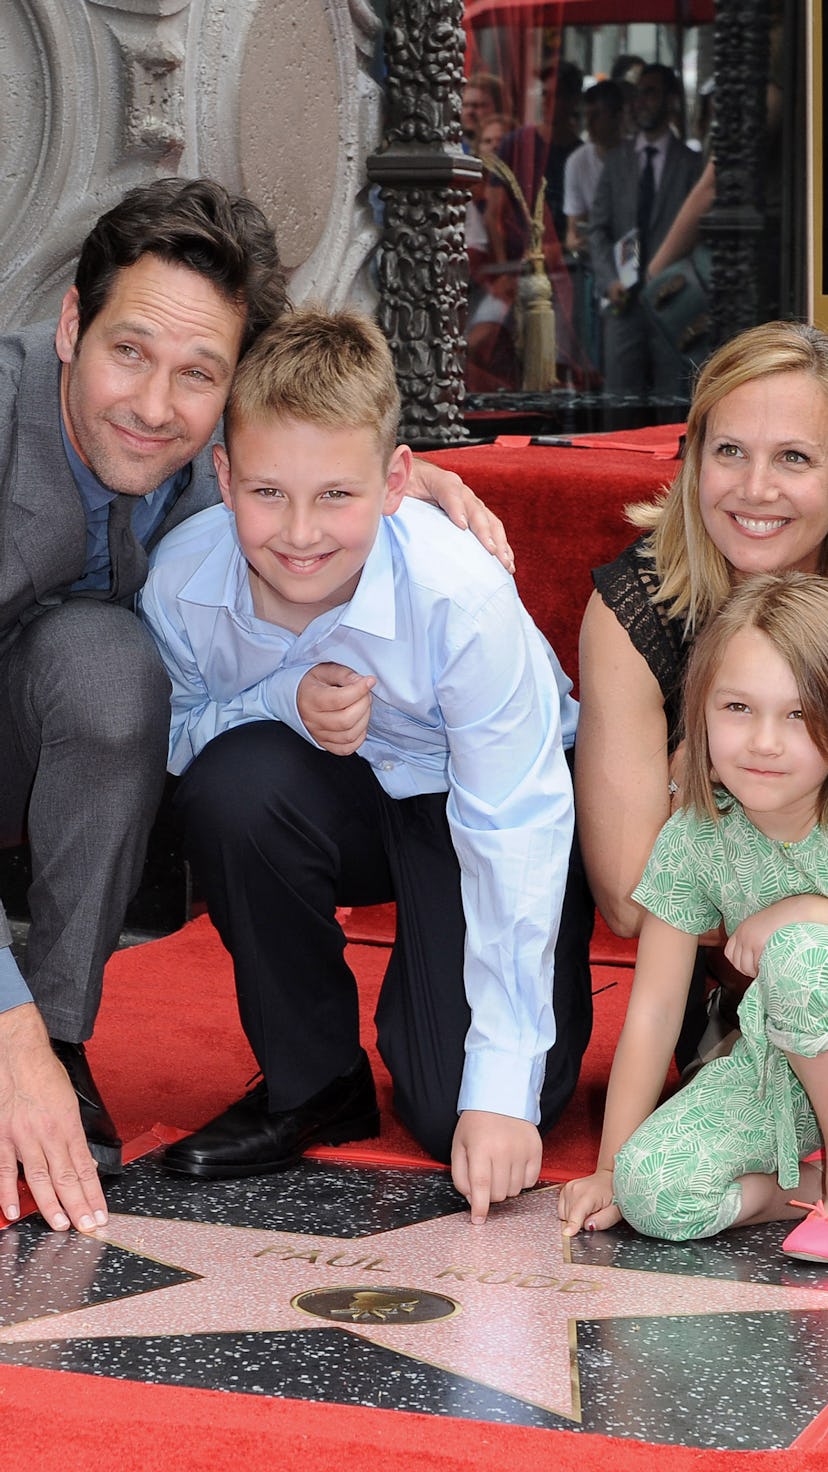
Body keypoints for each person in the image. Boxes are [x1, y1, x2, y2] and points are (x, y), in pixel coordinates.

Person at [0, 177, 510, 1232]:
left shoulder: (208, 472)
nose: (151, 406)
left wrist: (416, 490)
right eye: (128, 351)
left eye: (198, 375)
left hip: (55, 739)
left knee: (110, 666)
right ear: (68, 324)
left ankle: (63, 1041)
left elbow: (313, 466)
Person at [139, 305, 594, 1225]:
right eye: (267, 493)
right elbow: (177, 736)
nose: (299, 533)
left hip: (473, 797)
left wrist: (499, 1090)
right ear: (223, 475)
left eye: (336, 496)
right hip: (332, 793)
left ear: (396, 482)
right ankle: (315, 1078)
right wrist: (280, 702)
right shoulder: (183, 582)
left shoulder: (459, 594)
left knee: (451, 1107)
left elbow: (515, 821)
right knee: (235, 784)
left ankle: (458, 1022)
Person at [576, 319, 828, 1071]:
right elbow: (627, 897)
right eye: (729, 452)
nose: (755, 489)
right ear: (691, 461)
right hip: (733, 969)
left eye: (794, 457)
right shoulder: (640, 606)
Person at [560, 572, 828, 1261]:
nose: (764, 741)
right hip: (786, 1074)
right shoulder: (695, 837)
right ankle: (802, 1191)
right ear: (700, 710)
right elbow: (652, 1010)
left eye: (798, 714)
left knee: (801, 951)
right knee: (651, 1191)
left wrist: (809, 910)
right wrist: (612, 1167)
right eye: (738, 707)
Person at [588, 63, 702, 396]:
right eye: (638, 93)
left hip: (673, 302)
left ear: (671, 100)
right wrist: (609, 281)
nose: (642, 101)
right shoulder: (616, 161)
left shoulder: (691, 163)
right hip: (623, 304)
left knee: (673, 399)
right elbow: (597, 229)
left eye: (651, 92)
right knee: (620, 400)